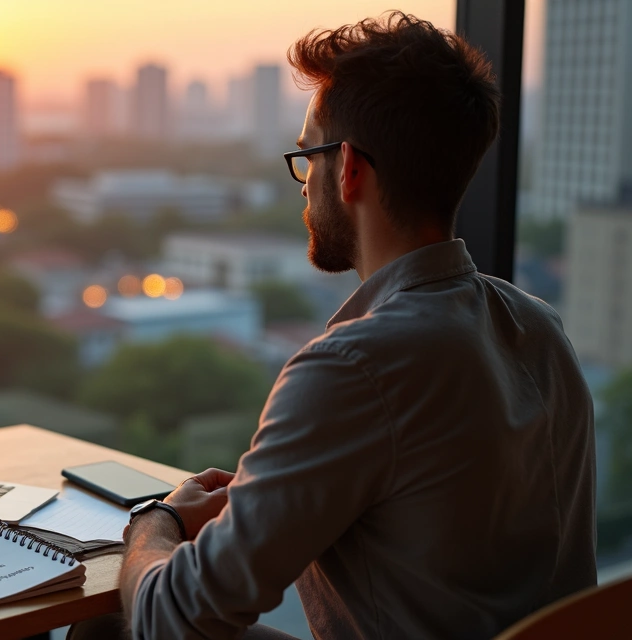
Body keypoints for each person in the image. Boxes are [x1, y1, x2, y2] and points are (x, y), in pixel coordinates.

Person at [97, 11, 596, 640]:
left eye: (308, 156)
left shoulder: (354, 366)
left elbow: (171, 620)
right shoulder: (541, 329)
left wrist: (156, 523)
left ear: (350, 167)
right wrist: (276, 499)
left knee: (112, 628)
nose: (304, 186)